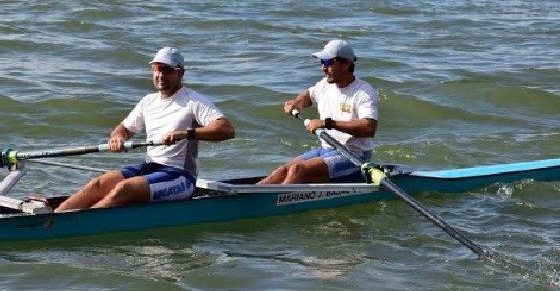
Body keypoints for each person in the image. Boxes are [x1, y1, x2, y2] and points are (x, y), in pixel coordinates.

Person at [55, 46, 235, 211]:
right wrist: (118, 137)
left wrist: (185, 134)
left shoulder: (193, 101)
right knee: (97, 184)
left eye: (167, 70)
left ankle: (83, 224)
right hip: (150, 168)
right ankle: (56, 217)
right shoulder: (148, 101)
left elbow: (226, 129)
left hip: (180, 176)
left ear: (180, 73)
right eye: (157, 69)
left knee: (124, 188)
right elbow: (124, 129)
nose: (161, 75)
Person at [257, 39, 378, 184]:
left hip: (354, 157)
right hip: (326, 150)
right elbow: (307, 96)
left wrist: (327, 124)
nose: (323, 68)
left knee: (297, 170)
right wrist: (296, 103)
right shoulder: (325, 85)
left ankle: (274, 203)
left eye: (328, 62)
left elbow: (368, 128)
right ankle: (250, 198)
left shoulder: (364, 92)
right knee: (282, 170)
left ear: (345, 64)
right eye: (322, 62)